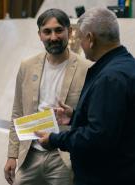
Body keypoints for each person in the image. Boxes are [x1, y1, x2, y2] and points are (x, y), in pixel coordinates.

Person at [36, 7, 135, 185]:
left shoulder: (110, 77)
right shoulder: (127, 65)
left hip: (106, 176)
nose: (80, 45)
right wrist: (75, 116)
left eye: (80, 39)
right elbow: (114, 122)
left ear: (90, 39)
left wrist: (54, 139)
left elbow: (97, 138)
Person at [4, 8, 92, 185]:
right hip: (30, 154)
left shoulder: (87, 68)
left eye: (59, 30)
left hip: (64, 157)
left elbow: (90, 117)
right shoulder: (27, 66)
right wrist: (12, 155)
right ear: (39, 35)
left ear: (70, 31)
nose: (53, 37)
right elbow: (17, 112)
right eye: (47, 32)